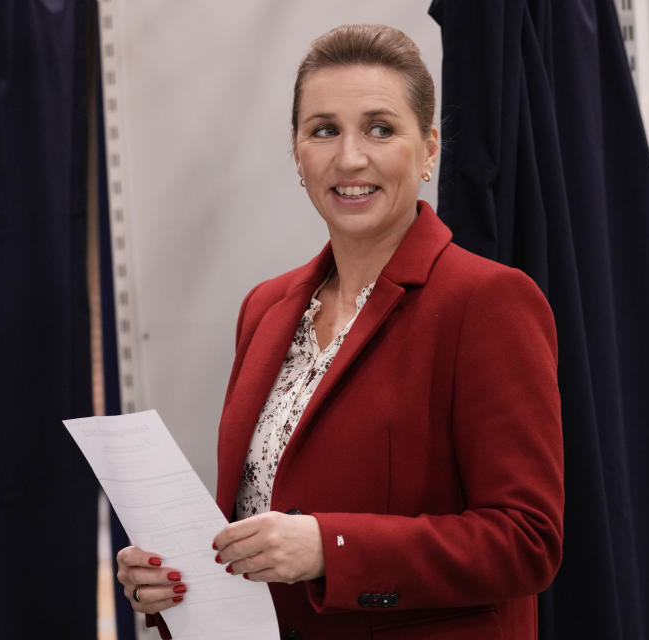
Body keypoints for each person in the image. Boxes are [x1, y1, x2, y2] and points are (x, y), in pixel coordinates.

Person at [116, 23, 564, 640]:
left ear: (429, 149)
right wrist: (177, 579)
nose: (349, 157)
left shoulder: (487, 302)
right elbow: (253, 515)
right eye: (323, 130)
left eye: (380, 128)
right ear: (298, 153)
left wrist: (334, 547)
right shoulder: (265, 307)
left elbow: (527, 541)